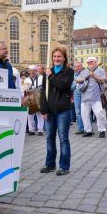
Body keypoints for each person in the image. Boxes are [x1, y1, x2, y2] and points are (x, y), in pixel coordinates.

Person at [39, 46, 74, 176]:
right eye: (54, 56)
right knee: (49, 138)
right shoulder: (48, 72)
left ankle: (64, 166)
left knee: (63, 138)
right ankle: (50, 164)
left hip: (63, 109)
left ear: (64, 58)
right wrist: (43, 109)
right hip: (49, 110)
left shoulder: (68, 72)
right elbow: (44, 92)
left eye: (59, 56)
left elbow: (63, 85)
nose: (56, 59)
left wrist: (50, 76)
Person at [77, 57, 107, 138]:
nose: (89, 63)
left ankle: (102, 130)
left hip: (96, 96)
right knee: (84, 115)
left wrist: (94, 77)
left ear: (96, 62)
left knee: (99, 114)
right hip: (85, 97)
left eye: (91, 62)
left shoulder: (101, 70)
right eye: (88, 62)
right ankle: (88, 130)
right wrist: (86, 77)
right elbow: (77, 79)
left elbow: (104, 80)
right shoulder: (84, 71)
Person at [23, 65, 44, 135]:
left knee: (40, 114)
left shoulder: (41, 78)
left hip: (39, 98)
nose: (32, 72)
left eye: (33, 71)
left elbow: (44, 88)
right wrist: (26, 90)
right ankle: (31, 130)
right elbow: (24, 89)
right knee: (30, 115)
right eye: (30, 71)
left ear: (36, 71)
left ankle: (40, 130)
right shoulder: (26, 79)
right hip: (30, 99)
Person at [71, 61, 85, 134]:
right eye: (76, 66)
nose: (78, 68)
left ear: (82, 66)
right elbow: (71, 87)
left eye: (79, 66)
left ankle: (87, 128)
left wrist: (80, 82)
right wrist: (76, 82)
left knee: (86, 111)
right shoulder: (74, 75)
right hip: (76, 93)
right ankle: (80, 128)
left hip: (84, 93)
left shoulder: (85, 73)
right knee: (78, 112)